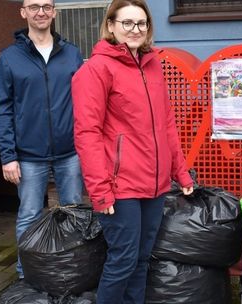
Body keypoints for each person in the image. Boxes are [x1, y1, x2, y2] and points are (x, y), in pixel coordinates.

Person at [70, 0, 194, 303]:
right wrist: (100, 189)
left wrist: (181, 172)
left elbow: (167, 125)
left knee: (140, 260)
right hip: (119, 185)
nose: (135, 30)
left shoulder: (152, 65)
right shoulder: (96, 70)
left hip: (154, 183)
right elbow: (88, 134)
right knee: (122, 261)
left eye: (141, 23)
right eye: (127, 23)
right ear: (111, 25)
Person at [0, 0, 84, 279]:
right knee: (30, 216)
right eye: (34, 6)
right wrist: (8, 156)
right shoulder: (9, 58)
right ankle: (27, 274)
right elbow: (3, 109)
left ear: (54, 12)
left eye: (46, 6)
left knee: (74, 213)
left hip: (70, 152)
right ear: (23, 13)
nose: (41, 11)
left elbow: (84, 103)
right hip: (29, 155)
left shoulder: (72, 54)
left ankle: (74, 269)